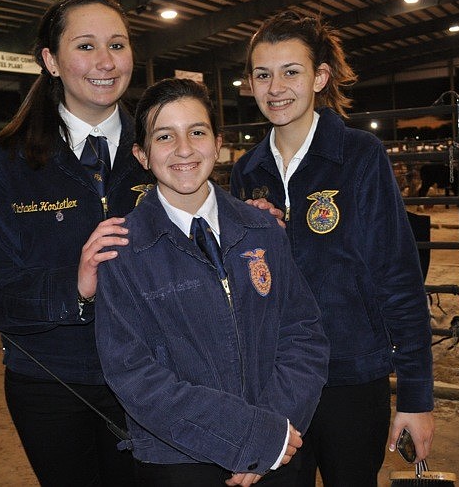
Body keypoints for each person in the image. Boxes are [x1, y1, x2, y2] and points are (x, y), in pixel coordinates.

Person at [0, 0, 154, 486]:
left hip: (153, 376)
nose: (106, 62)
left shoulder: (162, 146)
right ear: (51, 60)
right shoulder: (6, 164)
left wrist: (247, 222)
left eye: (117, 44)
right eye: (85, 46)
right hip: (52, 381)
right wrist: (71, 289)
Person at [230, 10, 435, 487]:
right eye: (263, 74)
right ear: (251, 83)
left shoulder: (360, 156)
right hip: (276, 382)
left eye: (291, 72)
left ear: (320, 77)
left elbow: (399, 277)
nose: (276, 88)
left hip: (351, 375)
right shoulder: (247, 171)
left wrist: (416, 397)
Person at [93, 78, 329, 487]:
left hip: (279, 446)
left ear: (218, 143)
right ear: (142, 155)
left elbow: (302, 333)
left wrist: (271, 432)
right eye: (164, 136)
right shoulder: (123, 251)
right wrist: (241, 436)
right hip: (178, 457)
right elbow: (132, 372)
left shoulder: (262, 230)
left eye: (197, 132)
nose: (184, 149)